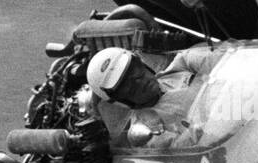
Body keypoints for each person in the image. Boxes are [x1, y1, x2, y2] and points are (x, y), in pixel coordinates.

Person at [86, 44, 218, 149]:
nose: (138, 81)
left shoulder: (181, 65)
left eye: (134, 69)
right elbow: (188, 145)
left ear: (142, 63)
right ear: (121, 100)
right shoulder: (147, 131)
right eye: (126, 85)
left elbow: (218, 58)